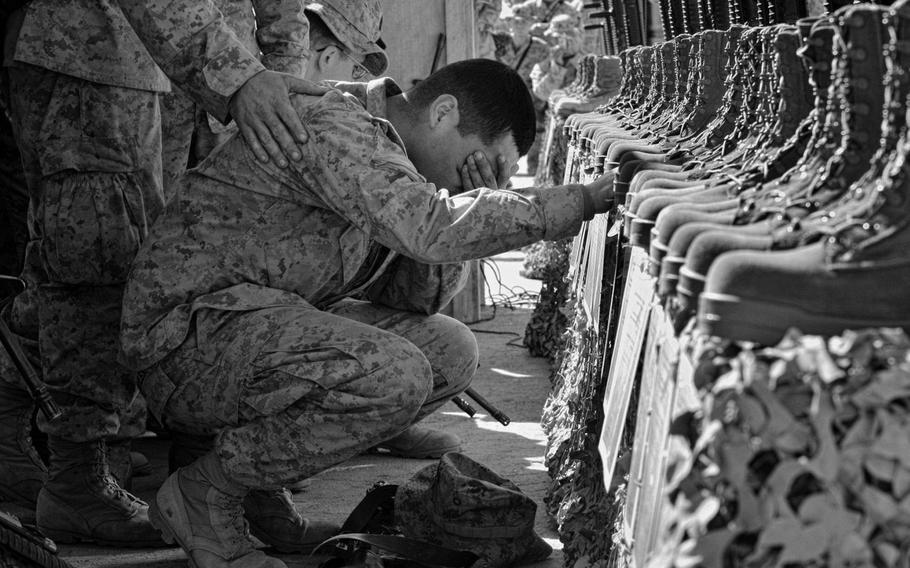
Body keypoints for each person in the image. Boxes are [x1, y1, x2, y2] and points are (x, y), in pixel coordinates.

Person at [119, 58, 612, 568]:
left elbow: (411, 300)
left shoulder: (398, 162)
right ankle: (207, 491)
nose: (485, 180)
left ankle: (255, 490)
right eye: (484, 163)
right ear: (444, 113)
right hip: (184, 342)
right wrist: (578, 201)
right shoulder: (338, 126)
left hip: (244, 333)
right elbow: (431, 226)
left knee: (448, 350)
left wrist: (466, 201)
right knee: (393, 375)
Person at [0, 0, 329, 548]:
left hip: (180, 70)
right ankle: (76, 480)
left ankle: (206, 468)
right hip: (94, 52)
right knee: (99, 264)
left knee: (183, 263)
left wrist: (274, 72)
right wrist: (239, 76)